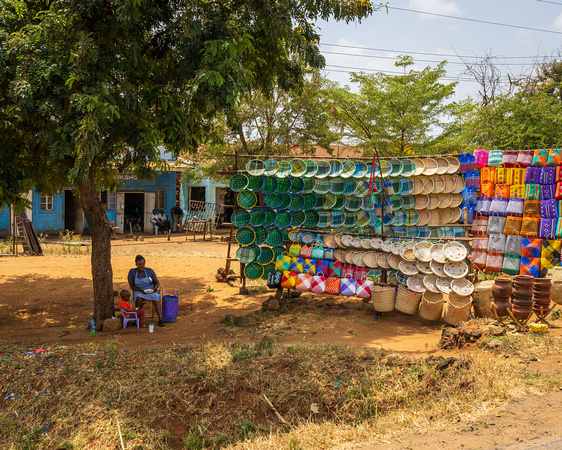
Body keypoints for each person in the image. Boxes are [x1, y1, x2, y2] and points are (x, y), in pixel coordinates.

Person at [128, 255, 165, 326]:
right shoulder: (132, 272)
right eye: (139, 264)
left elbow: (156, 282)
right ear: (136, 264)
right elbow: (132, 286)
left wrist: (154, 288)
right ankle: (138, 319)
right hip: (138, 290)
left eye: (143, 264)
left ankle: (160, 319)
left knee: (156, 297)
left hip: (150, 289)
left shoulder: (149, 271)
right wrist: (140, 290)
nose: (141, 266)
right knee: (138, 298)